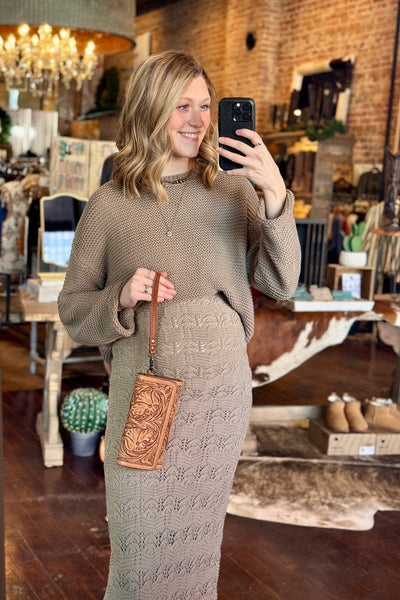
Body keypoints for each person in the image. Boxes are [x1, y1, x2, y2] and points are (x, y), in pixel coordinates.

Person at [58, 50, 301, 600]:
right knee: (139, 557)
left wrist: (276, 194)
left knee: (196, 555)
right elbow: (73, 310)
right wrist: (121, 296)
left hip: (217, 401)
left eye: (206, 106)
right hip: (144, 401)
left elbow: (283, 283)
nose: (198, 119)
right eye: (181, 106)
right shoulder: (109, 206)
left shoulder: (235, 193)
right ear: (150, 109)